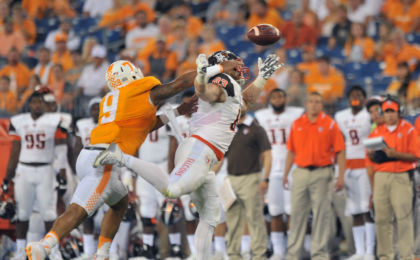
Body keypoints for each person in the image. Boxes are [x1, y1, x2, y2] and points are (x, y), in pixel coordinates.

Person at [95, 50, 282, 259]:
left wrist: (263, 78)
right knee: (171, 189)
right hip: (198, 150)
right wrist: (202, 76)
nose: (239, 66)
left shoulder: (231, 86)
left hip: (206, 153)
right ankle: (121, 157)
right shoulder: (221, 80)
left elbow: (244, 103)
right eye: (234, 62)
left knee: (210, 216)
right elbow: (205, 92)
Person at [24, 60, 199, 259]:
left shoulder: (113, 98)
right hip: (105, 159)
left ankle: (103, 253)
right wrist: (208, 70)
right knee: (80, 209)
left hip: (92, 154)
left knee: (120, 203)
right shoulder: (137, 90)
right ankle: (45, 245)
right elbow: (178, 85)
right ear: (132, 74)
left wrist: (178, 111)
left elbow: (143, 126)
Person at [1, 89, 68, 260]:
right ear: (29, 105)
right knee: (22, 214)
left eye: (40, 102)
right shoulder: (19, 121)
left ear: (45, 105)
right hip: (25, 170)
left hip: (46, 169)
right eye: (34, 102)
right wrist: (7, 178)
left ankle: (54, 251)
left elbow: (61, 148)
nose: (37, 105)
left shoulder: (54, 121)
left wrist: (62, 172)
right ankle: (20, 251)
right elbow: (15, 151)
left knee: (49, 214)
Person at [282, 92, 346, 259]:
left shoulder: (330, 124)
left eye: (317, 102)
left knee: (321, 214)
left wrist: (340, 177)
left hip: (322, 173)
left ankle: (319, 253)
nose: (314, 105)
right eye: (311, 101)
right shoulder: (296, 124)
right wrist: (285, 174)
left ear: (322, 105)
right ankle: (294, 253)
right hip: (301, 172)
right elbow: (291, 151)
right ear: (306, 104)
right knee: (296, 214)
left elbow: (340, 151)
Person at [366, 96, 420, 260]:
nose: (390, 115)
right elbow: (370, 160)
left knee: (404, 218)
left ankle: (406, 256)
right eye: (387, 112)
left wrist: (395, 154)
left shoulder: (408, 129)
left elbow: (416, 156)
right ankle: (385, 256)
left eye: (393, 112)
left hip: (401, 176)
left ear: (399, 113)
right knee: (382, 219)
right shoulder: (376, 131)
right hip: (381, 176)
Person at [255, 89, 304, 259]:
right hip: (271, 167)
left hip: (292, 166)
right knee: (274, 211)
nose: (277, 99)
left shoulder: (296, 114)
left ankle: (292, 250)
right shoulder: (261, 116)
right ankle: (278, 251)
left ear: (286, 98)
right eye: (274, 97)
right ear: (269, 99)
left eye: (281, 96)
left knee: (291, 211)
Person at [334, 86, 375, 260]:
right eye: (352, 95)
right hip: (348, 166)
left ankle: (370, 251)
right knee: (355, 210)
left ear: (364, 99)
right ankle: (359, 250)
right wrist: (339, 172)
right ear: (348, 98)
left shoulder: (370, 115)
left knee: (367, 208)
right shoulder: (340, 116)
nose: (355, 98)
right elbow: (339, 144)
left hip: (366, 165)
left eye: (359, 95)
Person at [225, 111, 272, 260]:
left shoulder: (256, 128)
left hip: (251, 178)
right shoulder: (228, 129)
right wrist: (209, 176)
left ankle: (259, 255)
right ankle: (233, 255)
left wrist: (266, 179)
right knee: (232, 220)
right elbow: (220, 158)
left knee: (255, 218)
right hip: (231, 179)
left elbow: (268, 154)